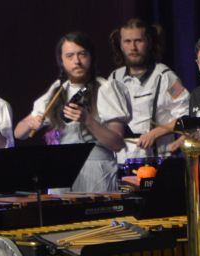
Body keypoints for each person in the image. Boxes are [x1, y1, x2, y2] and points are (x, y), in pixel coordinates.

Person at [14, 32, 130, 192]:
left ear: (91, 57)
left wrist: (88, 120)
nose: (77, 61)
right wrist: (30, 124)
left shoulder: (105, 88)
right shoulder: (57, 90)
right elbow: (18, 133)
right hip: (61, 170)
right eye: (69, 56)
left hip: (97, 170)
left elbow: (117, 144)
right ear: (61, 60)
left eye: (82, 54)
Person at [106, 18, 186, 165]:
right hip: (121, 163)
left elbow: (186, 116)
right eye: (127, 41)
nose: (133, 47)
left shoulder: (166, 77)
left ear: (149, 42)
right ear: (121, 45)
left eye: (138, 41)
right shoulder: (114, 78)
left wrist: (155, 133)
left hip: (159, 162)